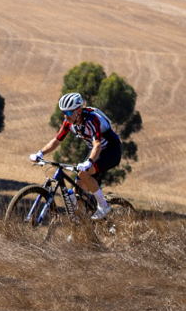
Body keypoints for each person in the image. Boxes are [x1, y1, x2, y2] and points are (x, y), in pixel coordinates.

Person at [30, 91, 122, 220]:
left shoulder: (91, 120)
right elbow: (57, 140)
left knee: (84, 173)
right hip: (95, 152)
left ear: (78, 111)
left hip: (111, 151)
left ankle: (103, 205)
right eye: (63, 112)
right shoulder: (69, 122)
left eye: (68, 112)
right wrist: (40, 153)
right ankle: (82, 226)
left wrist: (89, 162)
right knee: (77, 193)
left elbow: (97, 145)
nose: (65, 116)